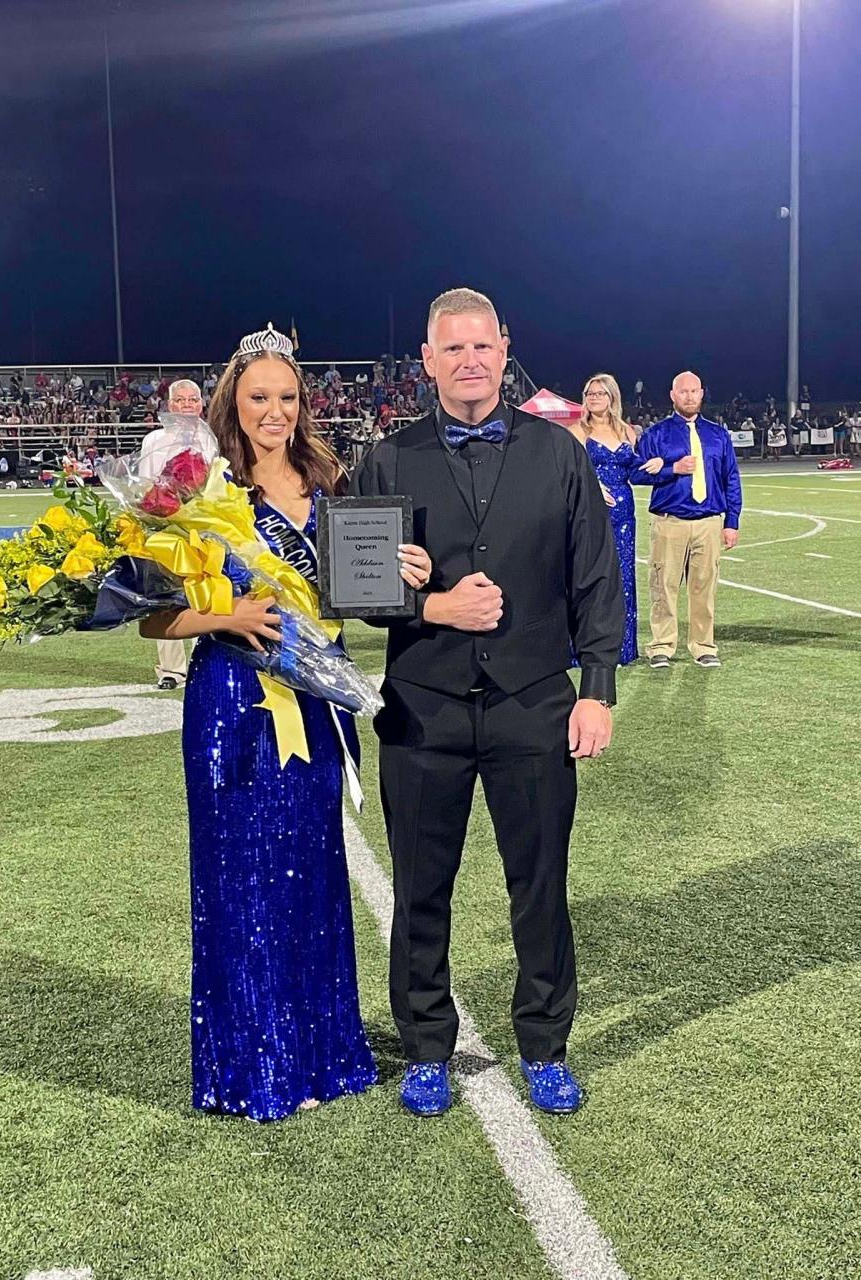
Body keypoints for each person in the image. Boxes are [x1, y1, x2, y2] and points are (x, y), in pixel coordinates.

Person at [141, 325, 430, 1122]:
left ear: (304, 405)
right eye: (260, 396)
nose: (274, 411)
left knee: (312, 872)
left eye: (288, 397)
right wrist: (225, 612)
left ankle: (324, 1055)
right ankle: (252, 1066)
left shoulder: (327, 478)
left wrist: (402, 576)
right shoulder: (199, 486)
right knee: (241, 879)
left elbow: (354, 599)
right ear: (234, 396)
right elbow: (152, 620)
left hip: (310, 701)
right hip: (232, 706)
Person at [351, 288, 624, 1117]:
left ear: (505, 350)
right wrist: (430, 606)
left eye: (482, 346)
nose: (470, 361)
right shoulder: (388, 457)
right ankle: (426, 1045)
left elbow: (595, 578)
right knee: (420, 888)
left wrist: (599, 692)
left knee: (540, 885)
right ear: (427, 361)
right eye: (452, 349)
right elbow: (355, 586)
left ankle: (545, 1044)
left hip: (535, 703)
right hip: (423, 707)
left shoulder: (560, 452)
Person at [631, 371, 742, 669]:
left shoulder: (718, 435)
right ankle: (662, 646)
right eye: (684, 391)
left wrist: (732, 522)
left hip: (708, 522)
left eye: (694, 391)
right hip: (670, 522)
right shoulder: (656, 434)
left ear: (702, 393)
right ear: (672, 395)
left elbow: (731, 478)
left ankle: (703, 645)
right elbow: (635, 472)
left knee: (704, 588)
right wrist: (672, 469)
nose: (690, 396)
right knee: (663, 586)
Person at [563, 374, 662, 665]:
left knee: (622, 579)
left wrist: (658, 465)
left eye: (600, 394)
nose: (594, 398)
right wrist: (593, 487)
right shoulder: (576, 432)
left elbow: (635, 473)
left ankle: (623, 648)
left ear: (612, 398)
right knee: (587, 577)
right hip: (588, 513)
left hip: (623, 516)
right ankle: (582, 648)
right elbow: (568, 474)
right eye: (589, 393)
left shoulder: (628, 432)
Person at [137, 380, 219, 690]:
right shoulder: (155, 439)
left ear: (201, 404)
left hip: (205, 524)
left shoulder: (211, 437)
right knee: (165, 595)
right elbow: (144, 484)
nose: (186, 405)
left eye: (192, 399)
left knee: (209, 591)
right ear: (170, 405)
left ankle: (209, 659)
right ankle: (171, 670)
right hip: (166, 524)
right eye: (180, 400)